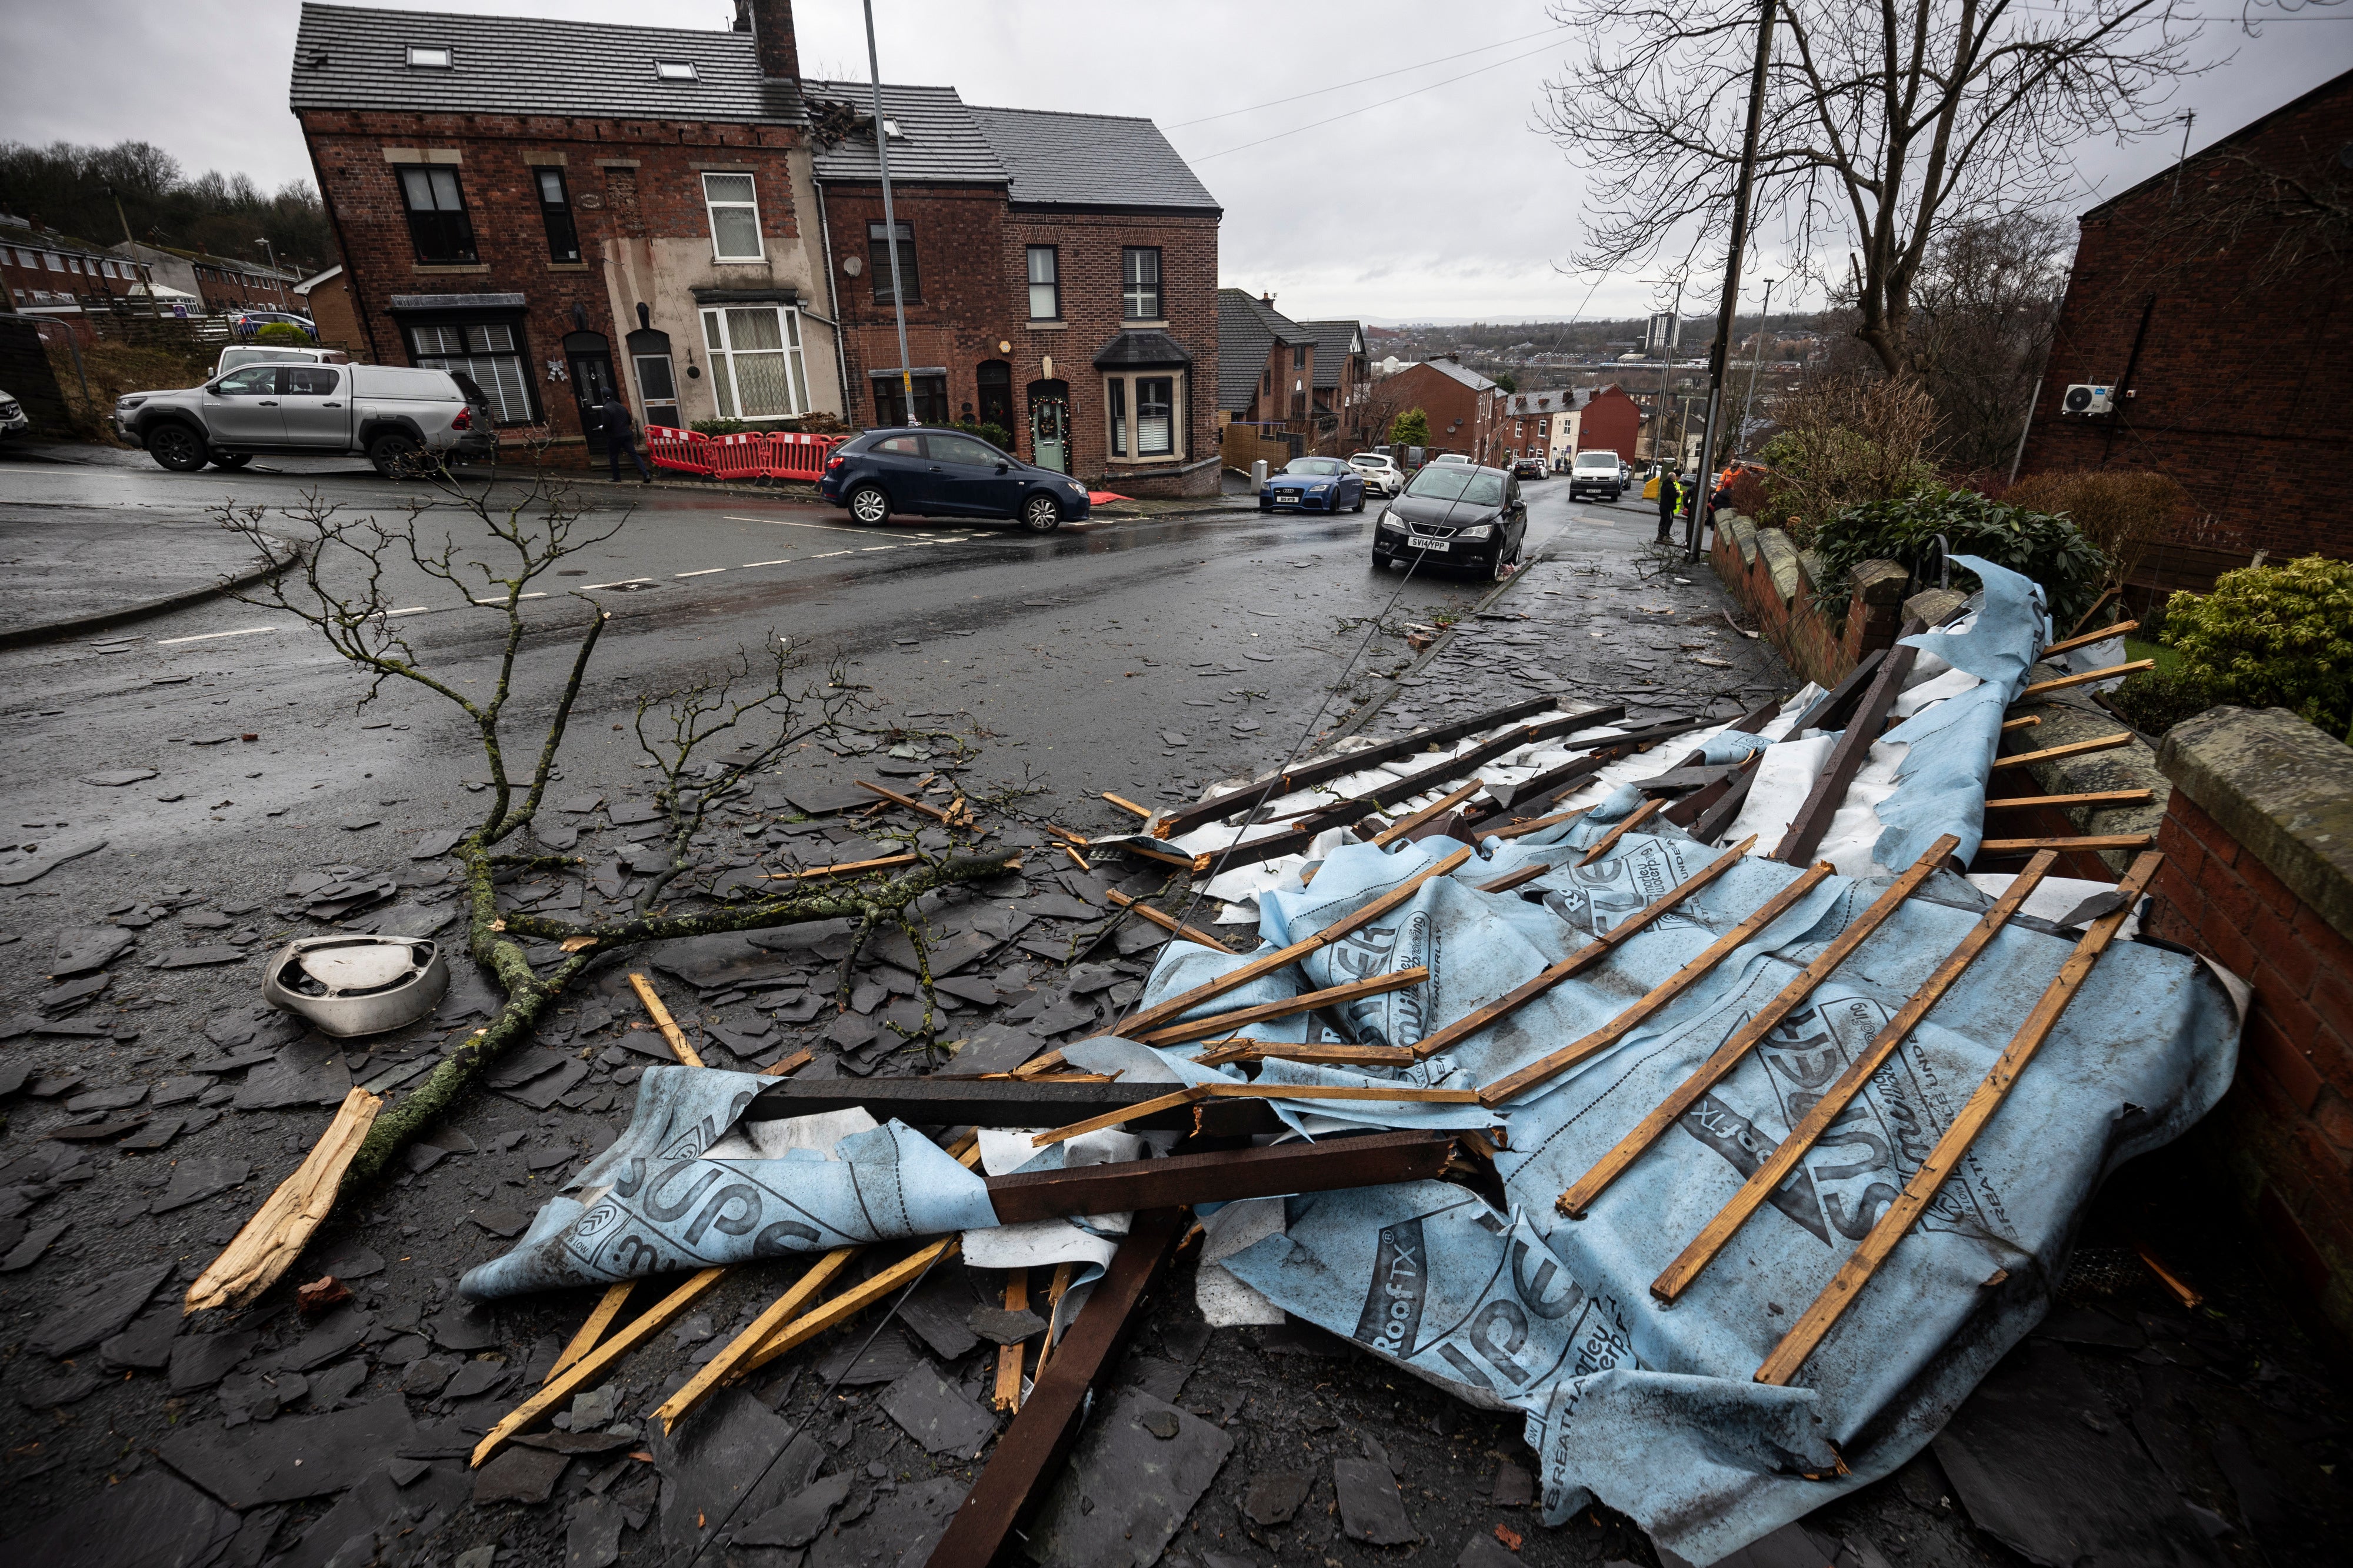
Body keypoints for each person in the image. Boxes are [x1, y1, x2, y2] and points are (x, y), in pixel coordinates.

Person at [598, 391, 651, 483]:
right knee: (634, 455)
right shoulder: (622, 407)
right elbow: (629, 421)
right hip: (627, 434)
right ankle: (646, 474)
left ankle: (617, 478)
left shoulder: (606, 409)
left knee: (614, 457)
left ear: (604, 398)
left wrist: (603, 430)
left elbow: (607, 425)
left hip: (615, 436)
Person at [1655, 466, 1682, 543]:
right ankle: (1666, 535)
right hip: (1669, 507)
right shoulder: (1671, 486)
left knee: (1662, 520)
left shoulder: (1664, 485)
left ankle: (1660, 534)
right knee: (1669, 521)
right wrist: (1677, 493)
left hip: (1662, 507)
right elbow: (1673, 496)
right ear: (1673, 478)